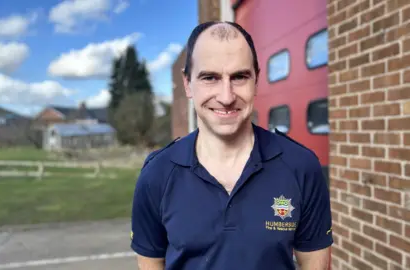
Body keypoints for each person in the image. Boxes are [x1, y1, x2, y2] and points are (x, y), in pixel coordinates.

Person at [130, 21, 333, 270]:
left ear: (256, 80)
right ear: (187, 84)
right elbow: (151, 263)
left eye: (239, 77)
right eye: (209, 77)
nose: (226, 97)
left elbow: (316, 264)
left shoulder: (301, 166)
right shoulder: (157, 174)